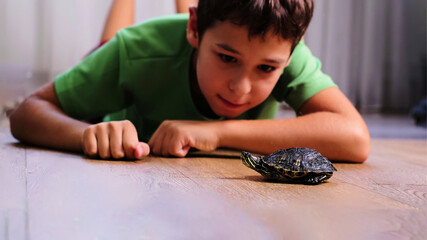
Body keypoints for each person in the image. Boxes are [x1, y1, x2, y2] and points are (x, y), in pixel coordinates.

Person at [9, 0, 370, 162]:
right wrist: (84, 135)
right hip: (133, 57)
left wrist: (214, 132)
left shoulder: (282, 49)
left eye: (266, 70)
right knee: (109, 41)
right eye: (228, 58)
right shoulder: (134, 50)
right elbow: (27, 113)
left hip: (187, 45)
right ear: (194, 28)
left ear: (289, 56)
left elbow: (354, 138)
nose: (240, 88)